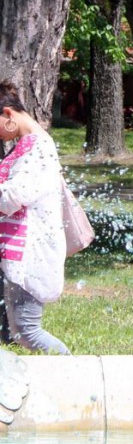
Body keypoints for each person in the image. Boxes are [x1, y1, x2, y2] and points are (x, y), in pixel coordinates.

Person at [0, 81, 70, 354]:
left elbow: (13, 196)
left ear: (8, 114)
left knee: (27, 331)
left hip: (30, 256)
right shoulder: (26, 145)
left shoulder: (39, 147)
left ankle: (74, 371)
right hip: (16, 253)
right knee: (14, 331)